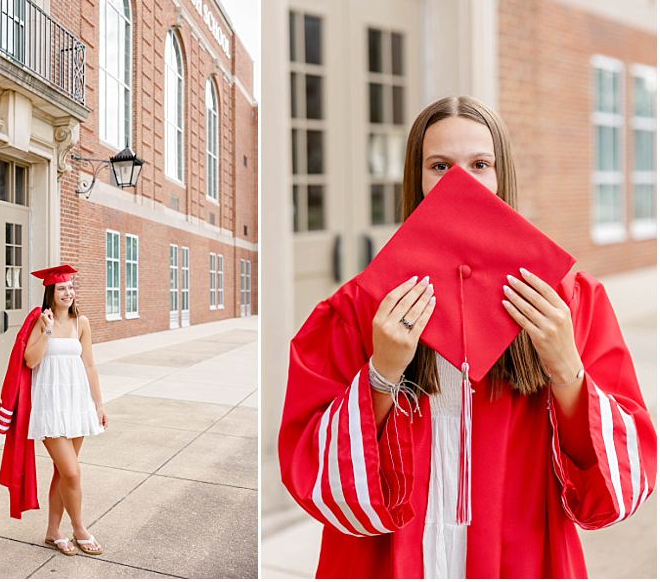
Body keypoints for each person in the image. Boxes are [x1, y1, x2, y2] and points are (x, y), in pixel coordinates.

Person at [278, 96, 656, 578]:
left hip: (518, 553)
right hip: (391, 559)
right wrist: (382, 373)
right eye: (440, 165)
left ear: (503, 178)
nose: (461, 180)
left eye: (481, 164)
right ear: (416, 179)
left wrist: (566, 369)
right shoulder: (361, 307)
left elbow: (624, 480)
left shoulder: (566, 302)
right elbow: (307, 463)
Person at [23, 264, 108, 556]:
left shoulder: (80, 322)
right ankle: (79, 527)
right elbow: (31, 361)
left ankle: (52, 532)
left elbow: (89, 365)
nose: (68, 293)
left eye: (71, 287)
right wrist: (46, 331)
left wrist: (98, 404)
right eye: (62, 288)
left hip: (76, 404)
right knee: (72, 473)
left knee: (62, 472)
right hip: (50, 406)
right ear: (51, 292)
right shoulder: (40, 321)